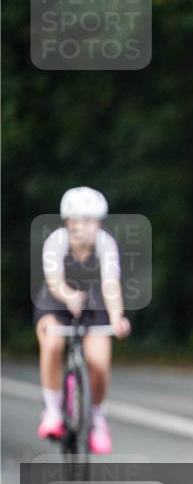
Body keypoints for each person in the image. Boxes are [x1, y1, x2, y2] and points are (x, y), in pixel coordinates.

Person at [34, 187, 131, 453]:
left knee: (99, 362)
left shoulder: (105, 243)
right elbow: (54, 281)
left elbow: (111, 284)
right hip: (56, 302)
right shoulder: (56, 241)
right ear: (70, 222)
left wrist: (117, 317)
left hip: (93, 303)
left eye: (94, 220)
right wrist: (68, 296)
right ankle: (53, 410)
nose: (89, 226)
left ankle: (97, 419)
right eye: (83, 220)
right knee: (52, 344)